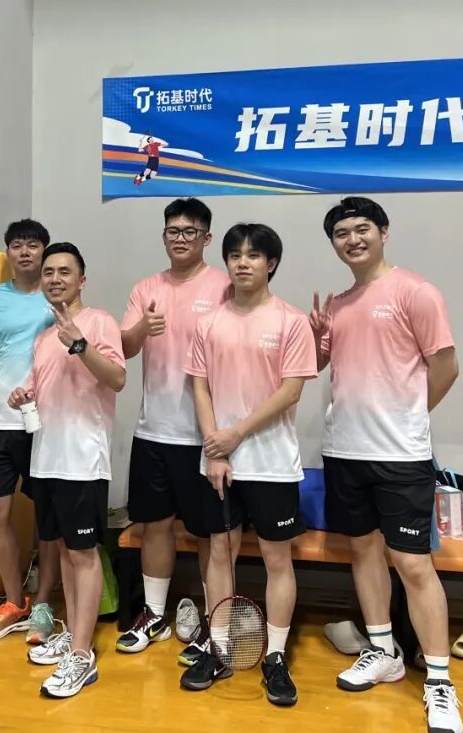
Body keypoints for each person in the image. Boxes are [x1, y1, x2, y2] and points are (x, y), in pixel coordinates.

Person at [310, 197, 462, 733]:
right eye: (341, 233)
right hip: (344, 451)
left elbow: (446, 367)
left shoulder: (415, 292)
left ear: (383, 232)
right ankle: (383, 651)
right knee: (363, 552)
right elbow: (320, 365)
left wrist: (410, 417)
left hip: (400, 456)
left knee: (413, 565)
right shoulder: (339, 303)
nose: (352, 239)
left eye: (362, 229)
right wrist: (317, 336)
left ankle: (440, 682)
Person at [179, 223, 316, 705]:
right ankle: (217, 648)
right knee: (220, 552)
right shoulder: (209, 322)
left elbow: (291, 390)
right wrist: (216, 450)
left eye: (253, 255)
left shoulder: (291, 321)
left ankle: (275, 656)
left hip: (272, 463)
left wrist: (236, 434)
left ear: (270, 263)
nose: (243, 262)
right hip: (220, 463)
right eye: (235, 254)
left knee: (278, 559)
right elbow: (200, 387)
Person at [7, 242, 125, 699]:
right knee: (63, 551)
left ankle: (81, 655)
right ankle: (75, 634)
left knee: (83, 554)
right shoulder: (42, 337)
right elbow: (39, 387)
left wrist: (79, 344)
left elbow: (117, 378)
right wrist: (22, 395)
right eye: (49, 272)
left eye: (64, 272)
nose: (55, 279)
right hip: (46, 459)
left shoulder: (99, 323)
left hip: (83, 462)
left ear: (82, 280)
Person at [116, 198, 229, 662]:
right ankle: (155, 614)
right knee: (155, 526)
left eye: (190, 231)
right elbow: (124, 347)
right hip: (153, 432)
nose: (180, 238)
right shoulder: (147, 287)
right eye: (172, 231)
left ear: (206, 238)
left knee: (209, 534)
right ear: (164, 237)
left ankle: (213, 622)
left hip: (205, 435)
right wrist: (142, 328)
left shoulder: (224, 286)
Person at [0, 219, 61, 644]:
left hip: (46, 424)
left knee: (49, 519)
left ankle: (42, 604)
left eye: (33, 245)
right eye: (17, 245)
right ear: (8, 253)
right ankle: (13, 601)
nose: (25, 252)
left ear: (44, 251)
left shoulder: (57, 296)